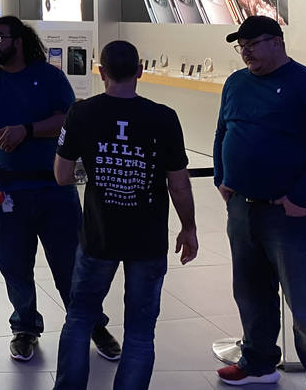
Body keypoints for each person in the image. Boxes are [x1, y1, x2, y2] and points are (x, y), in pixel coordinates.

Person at [0, 15, 120, 363]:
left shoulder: (48, 77)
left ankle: (92, 323)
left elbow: (69, 118)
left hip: (53, 188)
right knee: (14, 265)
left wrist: (27, 130)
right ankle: (25, 327)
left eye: (0, 37)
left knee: (70, 263)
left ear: (19, 41)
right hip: (4, 190)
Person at [52, 40, 198, 390]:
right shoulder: (163, 117)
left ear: (100, 72)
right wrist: (188, 227)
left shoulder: (81, 113)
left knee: (79, 319)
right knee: (140, 332)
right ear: (140, 72)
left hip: (99, 235)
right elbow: (178, 184)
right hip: (147, 240)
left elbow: (61, 175)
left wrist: (94, 171)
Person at [214, 16, 306, 388]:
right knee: (250, 292)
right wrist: (222, 178)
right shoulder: (236, 83)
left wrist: (301, 196)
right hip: (242, 207)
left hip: (291, 214)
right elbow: (224, 131)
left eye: (253, 44)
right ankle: (258, 362)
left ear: (277, 42)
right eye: (240, 45)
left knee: (305, 304)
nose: (245, 51)